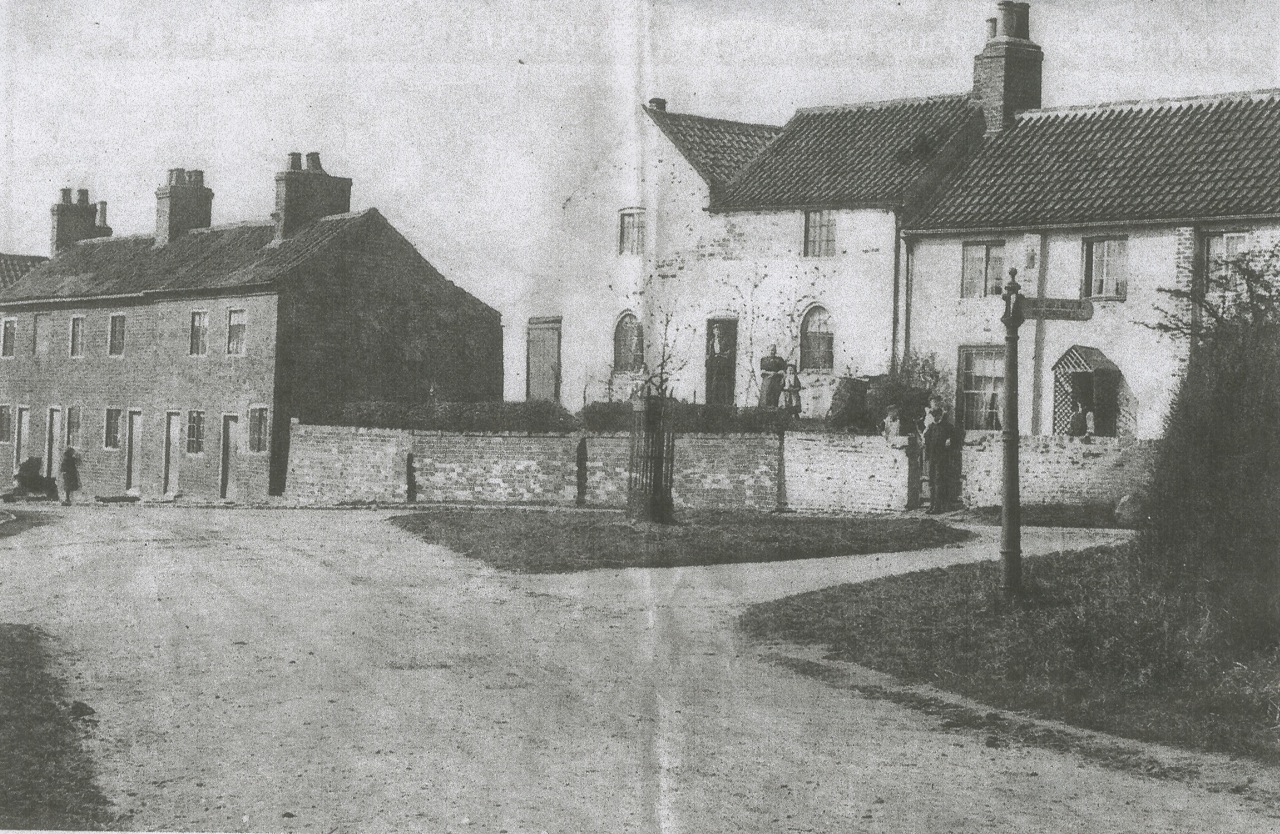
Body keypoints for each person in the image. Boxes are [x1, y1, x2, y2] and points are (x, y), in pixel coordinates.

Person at [923, 403, 955, 513]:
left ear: (940, 415)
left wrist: (950, 440)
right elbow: (926, 441)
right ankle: (931, 505)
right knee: (931, 481)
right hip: (932, 457)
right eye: (933, 415)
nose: (935, 418)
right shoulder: (931, 427)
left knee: (939, 481)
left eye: (936, 415)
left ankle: (938, 507)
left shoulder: (947, 427)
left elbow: (955, 439)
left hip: (942, 458)